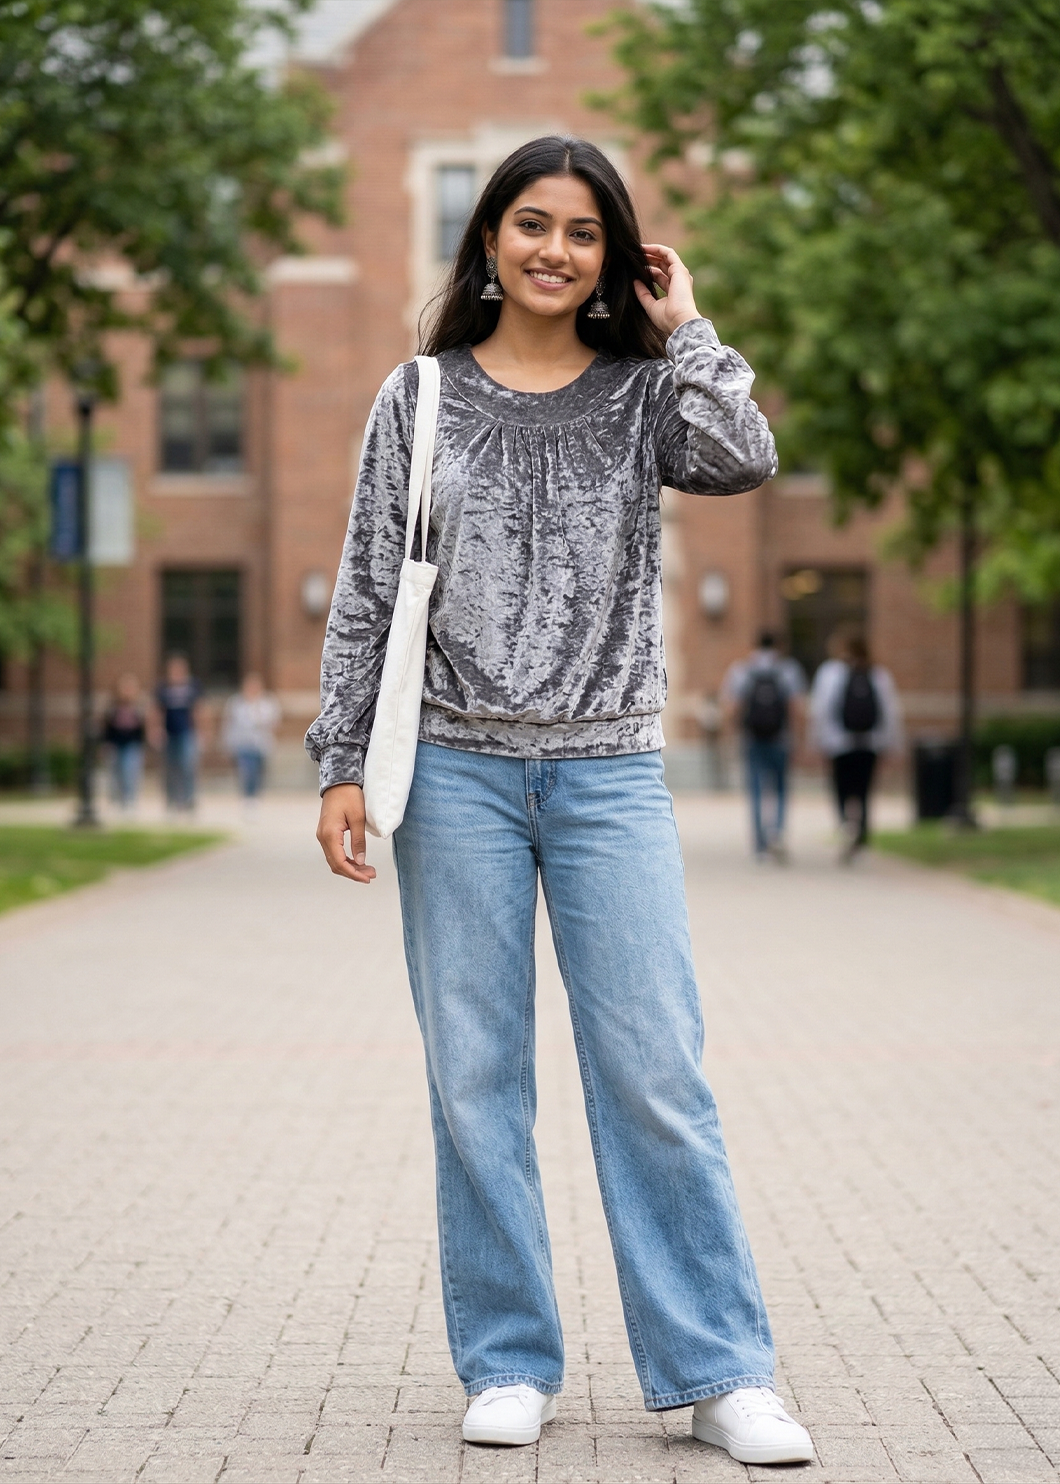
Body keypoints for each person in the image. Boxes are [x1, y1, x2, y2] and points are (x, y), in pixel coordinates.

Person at [307, 137, 813, 1466]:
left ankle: (719, 1369)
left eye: (584, 234)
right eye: (532, 225)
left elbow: (747, 453)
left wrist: (689, 324)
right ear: (487, 240)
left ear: (613, 257)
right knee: (477, 1077)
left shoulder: (646, 392)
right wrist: (341, 762)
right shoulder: (417, 398)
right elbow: (367, 587)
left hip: (609, 774)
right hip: (456, 774)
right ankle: (512, 1359)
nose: (554, 251)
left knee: (655, 1072)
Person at [810, 631, 903, 860]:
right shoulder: (878, 674)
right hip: (870, 742)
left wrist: (816, 740)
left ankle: (845, 824)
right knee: (864, 789)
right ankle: (862, 831)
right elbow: (890, 712)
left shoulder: (831, 672)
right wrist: (893, 743)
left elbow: (820, 710)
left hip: (838, 742)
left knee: (841, 786)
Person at [722, 633, 806, 861]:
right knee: (780, 788)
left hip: (751, 738)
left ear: (754, 644)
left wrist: (732, 734)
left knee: (756, 790)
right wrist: (798, 738)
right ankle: (777, 834)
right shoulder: (788, 669)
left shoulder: (742, 670)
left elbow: (732, 707)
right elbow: (795, 707)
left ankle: (760, 845)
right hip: (781, 738)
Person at [222, 674, 281, 802]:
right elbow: (229, 724)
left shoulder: (267, 703)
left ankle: (256, 795)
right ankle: (247, 796)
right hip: (242, 743)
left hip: (260, 744)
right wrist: (227, 743)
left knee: (258, 771)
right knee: (247, 770)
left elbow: (273, 723)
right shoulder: (236, 703)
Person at [154, 654, 202, 812]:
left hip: (187, 732)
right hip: (168, 733)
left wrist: (203, 730)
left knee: (188, 765)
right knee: (170, 768)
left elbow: (199, 710)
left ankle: (189, 799)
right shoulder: (163, 688)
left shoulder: (192, 686)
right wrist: (156, 730)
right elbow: (156, 711)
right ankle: (171, 800)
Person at [102, 673, 146, 810]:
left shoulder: (139, 707)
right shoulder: (112, 707)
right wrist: (105, 744)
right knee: (115, 773)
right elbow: (106, 728)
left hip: (132, 744)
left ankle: (129, 800)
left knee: (130, 772)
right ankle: (117, 800)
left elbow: (143, 728)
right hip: (115, 744)